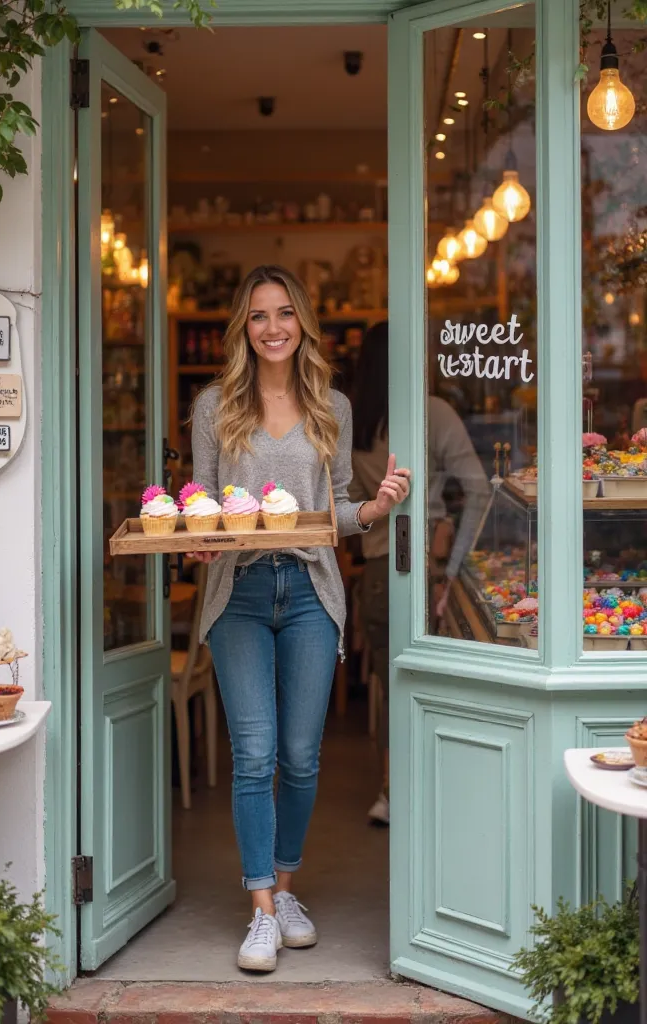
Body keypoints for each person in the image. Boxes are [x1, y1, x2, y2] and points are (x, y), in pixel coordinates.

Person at [187, 267, 411, 973]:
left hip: (312, 591)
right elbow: (204, 509)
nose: (273, 327)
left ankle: (286, 890)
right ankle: (259, 910)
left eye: (285, 314)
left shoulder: (333, 407)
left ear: (303, 324)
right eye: (258, 316)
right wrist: (199, 536)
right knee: (253, 755)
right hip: (241, 593)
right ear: (242, 329)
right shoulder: (213, 405)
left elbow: (331, 512)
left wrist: (373, 511)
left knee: (302, 756)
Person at [351, 321, 490, 825]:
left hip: (375, 575)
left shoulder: (356, 423)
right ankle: (439, 791)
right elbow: (480, 488)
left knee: (394, 688)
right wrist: (454, 565)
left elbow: (344, 506)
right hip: (425, 571)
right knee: (439, 686)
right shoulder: (432, 412)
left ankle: (392, 792)